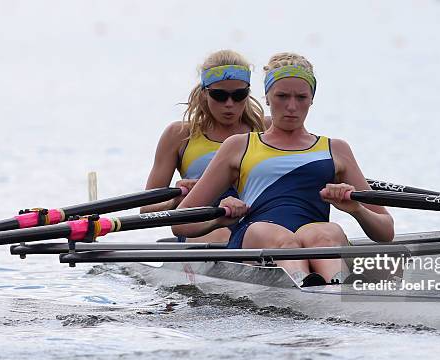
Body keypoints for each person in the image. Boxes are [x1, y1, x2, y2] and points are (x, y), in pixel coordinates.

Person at [173, 52, 394, 283]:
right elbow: (180, 222)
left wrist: (356, 209)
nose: (291, 106)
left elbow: (386, 231)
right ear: (267, 98)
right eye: (282, 96)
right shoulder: (239, 146)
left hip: (315, 237)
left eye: (301, 97)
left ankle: (335, 289)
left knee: (327, 233)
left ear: (312, 99)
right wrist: (219, 217)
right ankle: (312, 288)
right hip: (258, 237)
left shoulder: (336, 149)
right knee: (279, 238)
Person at [141, 49, 268, 243]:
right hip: (202, 228)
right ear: (204, 93)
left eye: (239, 95)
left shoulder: (266, 129)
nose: (229, 103)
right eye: (219, 95)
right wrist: (177, 200)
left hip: (257, 226)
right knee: (221, 235)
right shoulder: (180, 135)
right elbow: (146, 210)